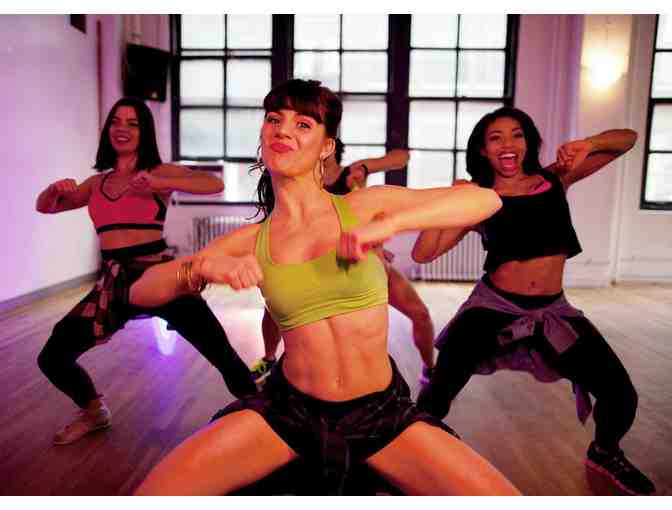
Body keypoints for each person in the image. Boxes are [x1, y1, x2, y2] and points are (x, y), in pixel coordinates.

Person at [129, 79, 518, 495]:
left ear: (326, 146)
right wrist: (203, 266)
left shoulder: (361, 206)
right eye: (274, 120)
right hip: (288, 412)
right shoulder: (252, 240)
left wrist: (392, 223)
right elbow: (140, 291)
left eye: (303, 124)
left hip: (380, 413)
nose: (283, 130)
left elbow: (486, 201)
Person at [413, 106, 656, 496]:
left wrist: (588, 143)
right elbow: (424, 254)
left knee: (621, 393)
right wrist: (447, 201)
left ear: (528, 143)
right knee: (437, 393)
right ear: (483, 150)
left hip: (553, 311)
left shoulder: (554, 178)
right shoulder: (479, 199)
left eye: (517, 134)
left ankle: (605, 450)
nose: (508, 144)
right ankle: (413, 455)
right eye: (495, 138)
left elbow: (628, 139)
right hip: (493, 307)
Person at [35, 97, 257, 446]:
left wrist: (156, 183)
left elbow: (213, 184)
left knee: (221, 353)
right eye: (116, 121)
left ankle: (264, 417)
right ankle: (93, 411)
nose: (122, 129)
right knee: (52, 356)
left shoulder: (158, 172)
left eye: (132, 123)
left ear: (145, 132)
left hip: (161, 277)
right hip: (114, 283)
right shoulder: (96, 183)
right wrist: (53, 191)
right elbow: (46, 207)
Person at [250, 140, 436, 387]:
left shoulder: (353, 173)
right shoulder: (303, 185)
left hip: (365, 265)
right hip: (318, 267)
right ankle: (269, 358)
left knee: (420, 314)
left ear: (330, 147)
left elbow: (401, 157)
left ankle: (430, 369)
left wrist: (366, 169)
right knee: (274, 306)